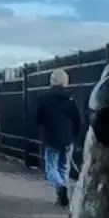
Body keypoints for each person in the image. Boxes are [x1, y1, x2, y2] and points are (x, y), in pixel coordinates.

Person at [34, 68, 82, 208]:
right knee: (64, 167)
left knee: (51, 168)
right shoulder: (71, 98)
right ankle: (62, 197)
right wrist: (75, 135)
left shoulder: (44, 98)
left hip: (51, 137)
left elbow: (38, 118)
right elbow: (77, 119)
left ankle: (60, 188)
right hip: (67, 138)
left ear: (52, 81)